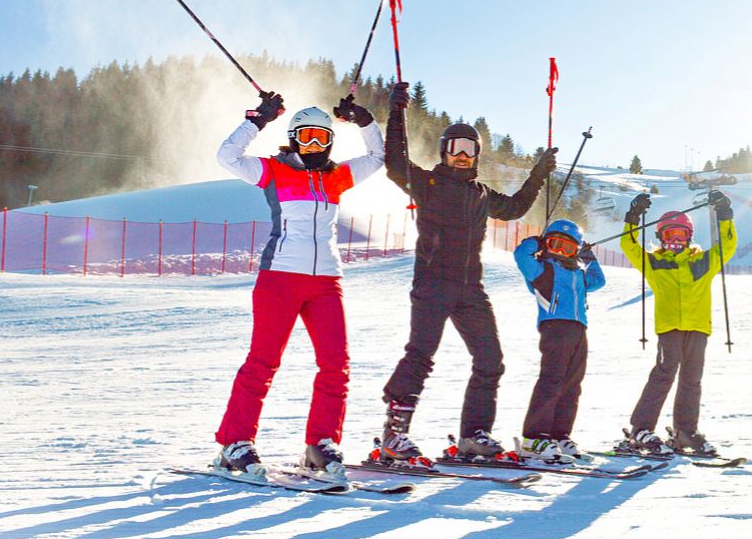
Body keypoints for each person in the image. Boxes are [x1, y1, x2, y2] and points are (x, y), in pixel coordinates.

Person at [379, 81, 558, 462]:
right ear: (444, 152)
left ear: (476, 155)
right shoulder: (427, 183)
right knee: (421, 356)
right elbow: (395, 162)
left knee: (490, 361)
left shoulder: (480, 194)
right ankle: (394, 436)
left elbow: (514, 208)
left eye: (469, 150)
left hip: (470, 290)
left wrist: (539, 172)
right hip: (432, 285)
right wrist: (396, 113)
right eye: (455, 149)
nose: (462, 156)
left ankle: (474, 436)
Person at [212, 90, 384, 480]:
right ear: (294, 139)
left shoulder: (336, 177)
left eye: (321, 139)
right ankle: (234, 443)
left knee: (335, 365)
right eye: (306, 137)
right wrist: (258, 119)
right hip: (280, 279)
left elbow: (377, 157)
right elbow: (227, 157)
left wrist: (364, 120)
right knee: (263, 362)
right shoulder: (274, 171)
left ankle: (320, 444)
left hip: (326, 281)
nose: (313, 145)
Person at [619, 188, 737, 457]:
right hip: (670, 327)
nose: (675, 240)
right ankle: (641, 428)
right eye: (669, 234)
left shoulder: (704, 261)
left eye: (680, 234)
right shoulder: (654, 263)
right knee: (664, 373)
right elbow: (628, 245)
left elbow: (728, 246)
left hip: (698, 328)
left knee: (692, 380)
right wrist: (633, 217)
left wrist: (724, 213)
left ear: (689, 237)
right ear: (660, 237)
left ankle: (685, 431)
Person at [513, 218, 605, 463]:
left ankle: (559, 434)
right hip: (555, 328)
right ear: (546, 245)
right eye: (556, 245)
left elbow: (599, 280)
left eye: (568, 248)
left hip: (579, 330)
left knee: (572, 384)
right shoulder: (541, 270)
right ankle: (534, 438)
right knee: (552, 380)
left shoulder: (578, 274)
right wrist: (536, 242)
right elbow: (521, 255)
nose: (561, 252)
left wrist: (588, 256)